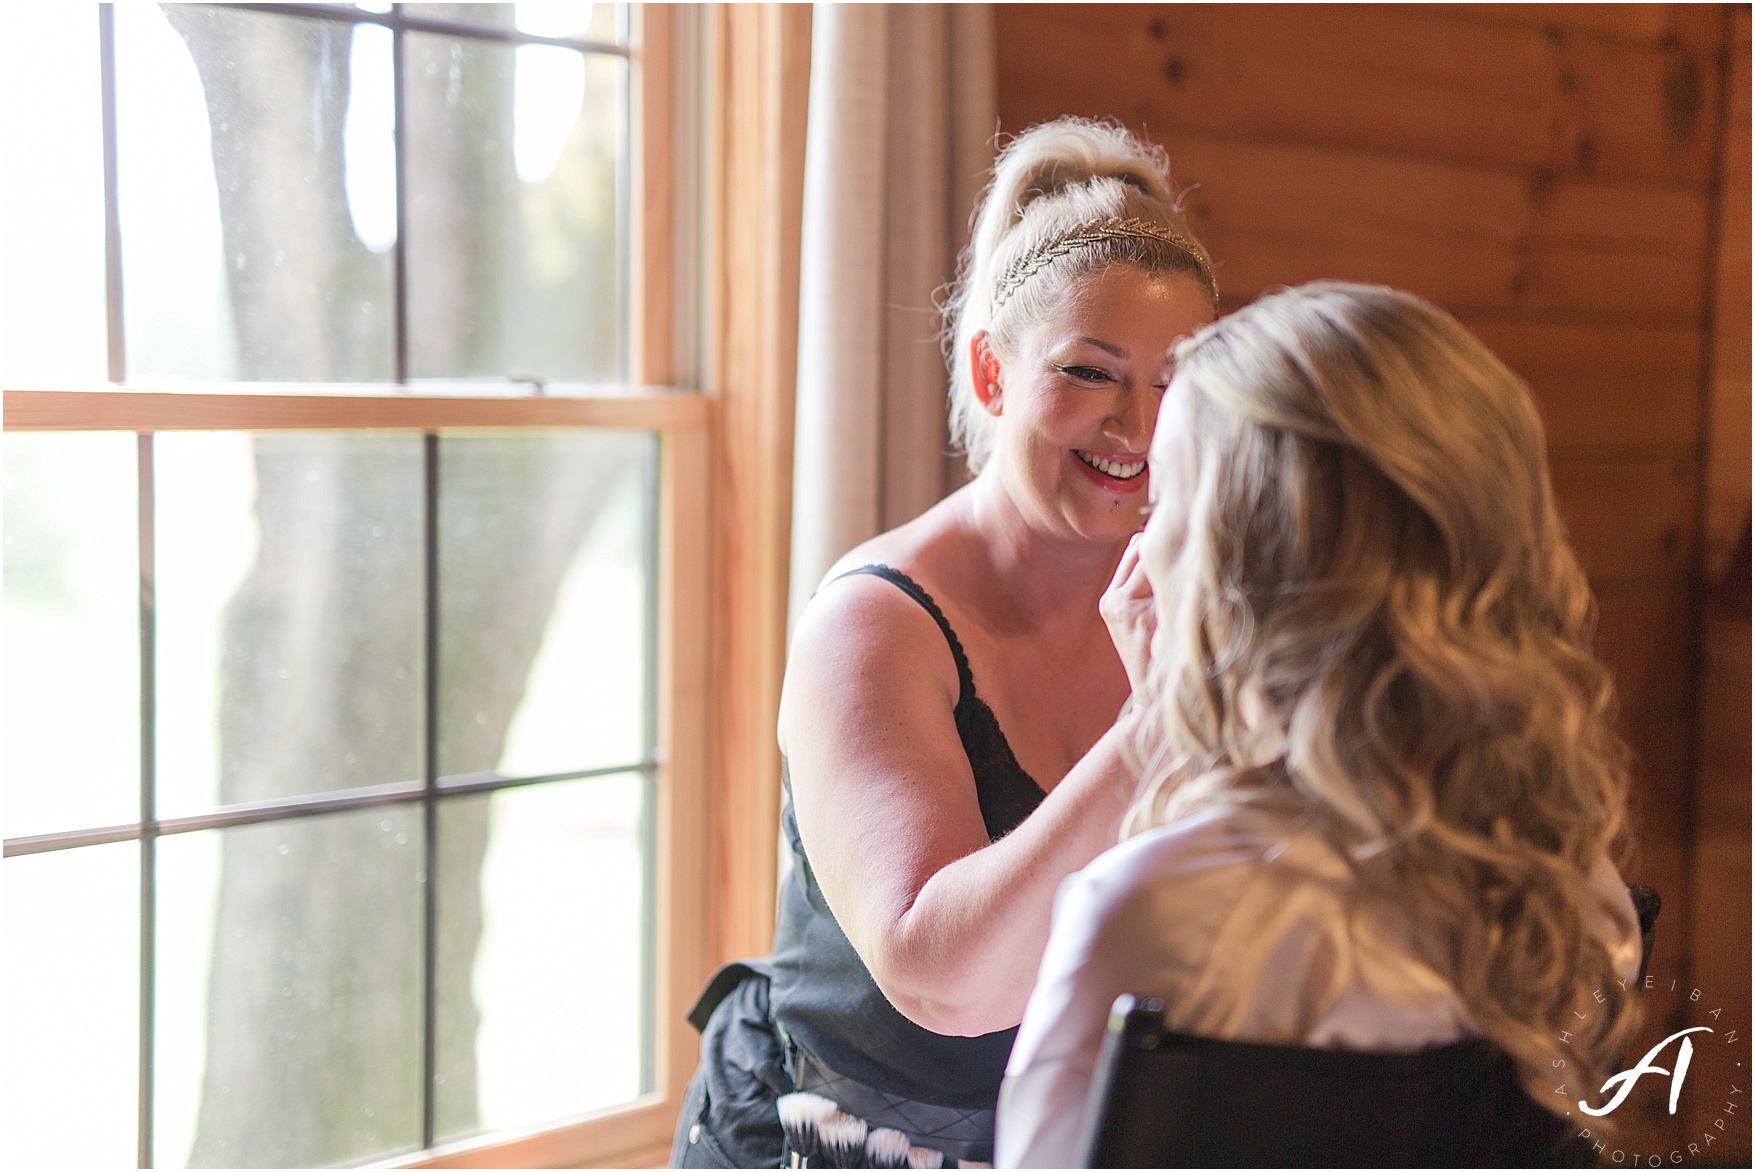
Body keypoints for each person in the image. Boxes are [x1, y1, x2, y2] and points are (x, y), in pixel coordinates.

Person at [994, 282, 1646, 1167]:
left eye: (1165, 512)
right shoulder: (1571, 899)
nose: (1142, 555)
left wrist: (1177, 731)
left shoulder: (1147, 918)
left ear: (1239, 567)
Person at [670, 117, 1217, 1168]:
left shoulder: (1203, 598)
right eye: (1091, 373)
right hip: (836, 1143)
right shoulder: (872, 623)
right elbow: (941, 977)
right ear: (993, 371)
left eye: (1174, 378)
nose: (1140, 428)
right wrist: (1163, 723)